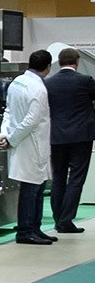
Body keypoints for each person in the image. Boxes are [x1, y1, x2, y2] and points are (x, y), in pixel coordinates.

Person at [1, 48, 55, 245]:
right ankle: (25, 231)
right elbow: (31, 121)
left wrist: (4, 134)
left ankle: (35, 228)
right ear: (48, 67)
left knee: (36, 188)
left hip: (25, 143)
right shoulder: (38, 89)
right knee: (31, 190)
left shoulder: (17, 82)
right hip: (31, 144)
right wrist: (11, 139)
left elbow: (8, 111)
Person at [46, 46, 95, 234]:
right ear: (77, 62)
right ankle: (66, 221)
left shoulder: (49, 83)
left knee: (58, 178)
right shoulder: (85, 81)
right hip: (81, 136)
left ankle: (58, 218)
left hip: (56, 136)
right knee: (76, 178)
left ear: (59, 62)